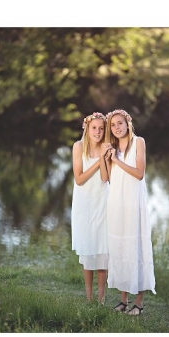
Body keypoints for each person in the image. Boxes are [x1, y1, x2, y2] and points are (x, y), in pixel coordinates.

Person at [104, 109, 156, 315]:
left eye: (120, 123)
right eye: (113, 125)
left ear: (128, 123)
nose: (117, 127)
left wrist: (116, 160)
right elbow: (110, 178)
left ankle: (139, 304)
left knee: (136, 248)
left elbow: (139, 174)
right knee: (120, 248)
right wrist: (106, 158)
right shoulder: (113, 148)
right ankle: (123, 301)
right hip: (117, 202)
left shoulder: (138, 142)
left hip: (134, 202)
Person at [71, 111, 110, 303]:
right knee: (88, 250)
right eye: (94, 128)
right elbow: (79, 179)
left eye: (101, 128)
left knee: (102, 251)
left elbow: (105, 178)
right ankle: (89, 298)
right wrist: (97, 161)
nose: (97, 132)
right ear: (87, 128)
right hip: (84, 203)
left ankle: (101, 298)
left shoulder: (106, 148)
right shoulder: (78, 147)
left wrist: (103, 156)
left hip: (102, 202)